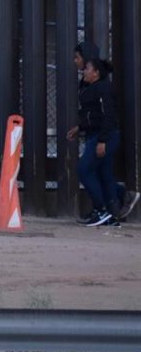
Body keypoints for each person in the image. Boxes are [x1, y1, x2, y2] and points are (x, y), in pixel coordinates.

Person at [69, 41, 133, 224]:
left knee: (84, 170)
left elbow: (108, 115)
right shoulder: (89, 84)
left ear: (94, 69)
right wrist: (80, 127)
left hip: (103, 135)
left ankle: (102, 210)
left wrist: (102, 140)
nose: (76, 63)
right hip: (97, 134)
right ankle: (113, 213)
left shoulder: (102, 87)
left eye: (78, 58)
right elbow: (93, 114)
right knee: (103, 175)